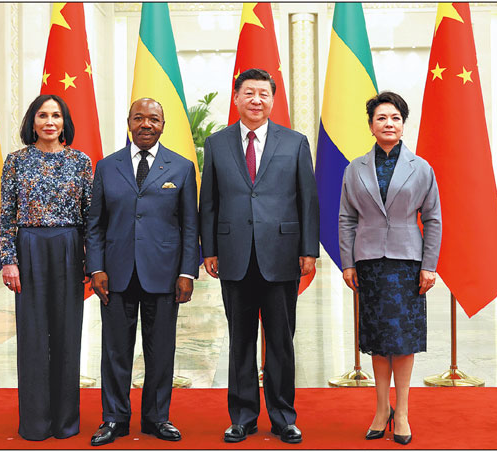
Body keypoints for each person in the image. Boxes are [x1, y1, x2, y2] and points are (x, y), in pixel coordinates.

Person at [200, 68, 320, 444]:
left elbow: (307, 201)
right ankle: (242, 416)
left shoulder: (295, 142)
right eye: (248, 93)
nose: (256, 100)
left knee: (281, 340)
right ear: (236, 98)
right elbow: (210, 202)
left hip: (282, 255)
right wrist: (210, 249)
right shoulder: (217, 143)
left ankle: (284, 416)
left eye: (263, 94)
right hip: (234, 254)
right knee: (240, 340)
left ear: (273, 99)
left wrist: (308, 251)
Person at [86, 98, 199, 446]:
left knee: (161, 350)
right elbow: (95, 224)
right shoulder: (107, 167)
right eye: (139, 118)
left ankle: (157, 418)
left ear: (163, 125)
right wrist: (97, 267)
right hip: (116, 274)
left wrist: (187, 272)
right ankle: (114, 418)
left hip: (164, 274)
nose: (146, 124)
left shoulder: (180, 168)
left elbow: (189, 225)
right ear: (128, 123)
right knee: (115, 351)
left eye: (153, 119)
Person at [338, 91, 442, 445]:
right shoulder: (354, 168)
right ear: (370, 125)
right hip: (368, 263)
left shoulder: (421, 167)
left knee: (403, 341)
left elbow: (433, 218)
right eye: (381, 118)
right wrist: (348, 262)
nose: (388, 123)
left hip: (407, 263)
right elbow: (346, 218)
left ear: (403, 123)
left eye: (395, 117)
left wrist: (429, 265)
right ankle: (381, 409)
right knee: (378, 342)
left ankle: (403, 412)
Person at [0, 94, 93, 440]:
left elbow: (92, 218)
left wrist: (92, 262)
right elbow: (7, 215)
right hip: (29, 249)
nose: (50, 121)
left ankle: (66, 422)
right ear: (32, 122)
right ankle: (36, 423)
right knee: (34, 336)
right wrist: (9, 260)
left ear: (64, 122)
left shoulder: (81, 162)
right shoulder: (16, 162)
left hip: (69, 248)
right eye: (43, 115)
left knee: (68, 335)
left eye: (56, 115)